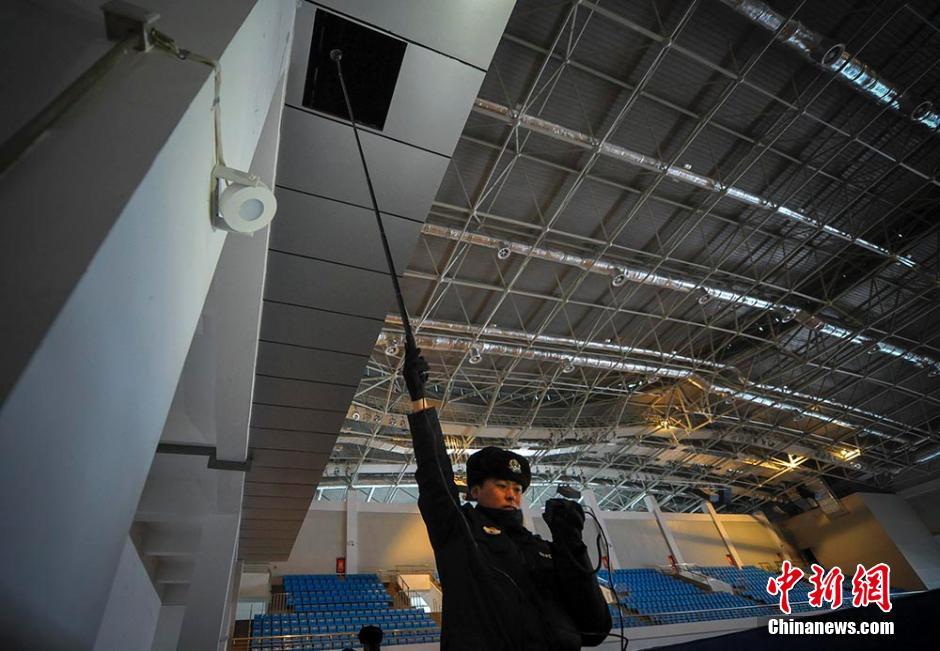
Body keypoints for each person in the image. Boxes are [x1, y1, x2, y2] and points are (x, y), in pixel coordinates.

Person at [403, 347, 613, 650]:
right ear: (475, 491)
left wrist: (571, 546)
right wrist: (419, 399)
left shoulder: (541, 548)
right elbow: (435, 476)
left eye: (517, 489)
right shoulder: (461, 533)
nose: (512, 494)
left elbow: (595, 629)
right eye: (502, 485)